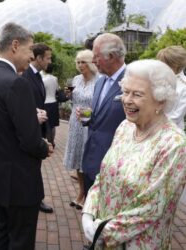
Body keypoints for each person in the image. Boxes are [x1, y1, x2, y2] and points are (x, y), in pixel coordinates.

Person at [82, 59, 186, 249]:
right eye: (125, 92)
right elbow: (103, 176)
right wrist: (88, 214)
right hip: (103, 237)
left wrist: (102, 232)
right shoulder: (125, 127)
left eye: (137, 94)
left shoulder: (175, 144)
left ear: (160, 100)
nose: (127, 100)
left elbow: (151, 207)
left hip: (139, 243)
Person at [0, 22, 53, 250]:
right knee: (20, 240)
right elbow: (30, 141)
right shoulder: (16, 82)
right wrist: (44, 146)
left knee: (1, 235)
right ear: (15, 45)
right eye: (30, 49)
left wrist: (29, 117)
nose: (32, 56)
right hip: (19, 181)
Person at [80, 33, 126, 197]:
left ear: (111, 56)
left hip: (115, 165)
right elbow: (99, 115)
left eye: (96, 56)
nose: (93, 61)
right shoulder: (100, 80)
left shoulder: (133, 80)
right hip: (91, 159)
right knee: (89, 211)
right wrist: (87, 117)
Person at [63, 50, 98, 210]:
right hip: (75, 124)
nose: (80, 65)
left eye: (83, 61)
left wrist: (87, 114)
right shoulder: (76, 79)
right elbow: (74, 100)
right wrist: (69, 95)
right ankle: (81, 193)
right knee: (77, 159)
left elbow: (99, 105)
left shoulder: (99, 81)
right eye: (78, 62)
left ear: (91, 63)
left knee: (88, 159)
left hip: (90, 124)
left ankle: (90, 196)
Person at [23, 43, 54, 214]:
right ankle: (35, 199)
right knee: (32, 166)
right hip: (31, 128)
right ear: (39, 58)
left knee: (36, 166)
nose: (49, 61)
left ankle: (36, 197)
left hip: (39, 126)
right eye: (48, 58)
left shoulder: (37, 75)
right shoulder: (26, 76)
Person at [157, 45, 186, 129]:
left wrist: (154, 125)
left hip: (172, 132)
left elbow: (177, 116)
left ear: (175, 64)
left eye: (165, 64)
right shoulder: (159, 79)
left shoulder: (184, 85)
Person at [42, 64, 60, 146]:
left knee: (47, 124)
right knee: (53, 125)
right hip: (54, 102)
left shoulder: (43, 79)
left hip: (46, 103)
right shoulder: (55, 78)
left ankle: (49, 142)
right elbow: (57, 89)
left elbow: (42, 91)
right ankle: (52, 141)